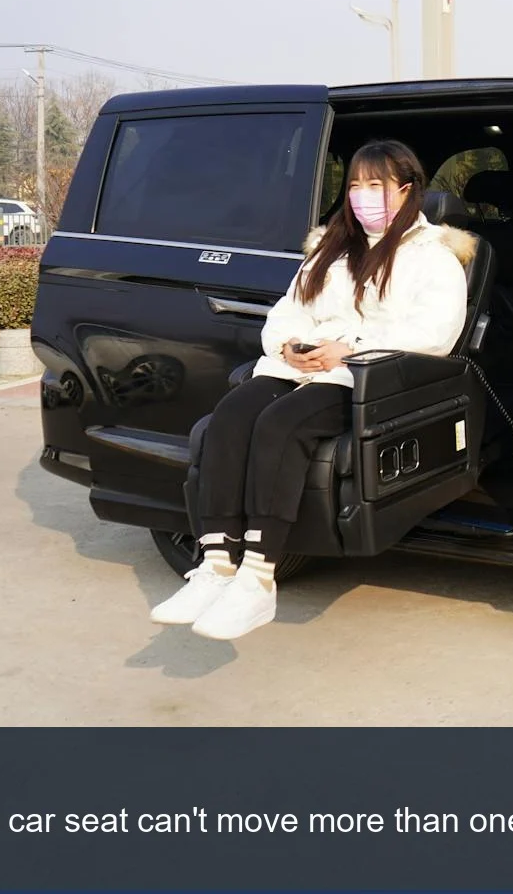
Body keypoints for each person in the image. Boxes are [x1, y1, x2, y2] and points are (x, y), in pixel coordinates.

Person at [150, 139, 474, 640]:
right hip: (297, 368)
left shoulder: (434, 258)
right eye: (355, 186)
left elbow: (433, 333)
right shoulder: (331, 250)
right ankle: (215, 565)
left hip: (363, 378)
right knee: (231, 416)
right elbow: (288, 311)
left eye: (376, 185)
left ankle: (258, 577)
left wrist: (348, 350)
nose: (363, 196)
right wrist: (290, 346)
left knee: (282, 424)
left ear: (406, 190)